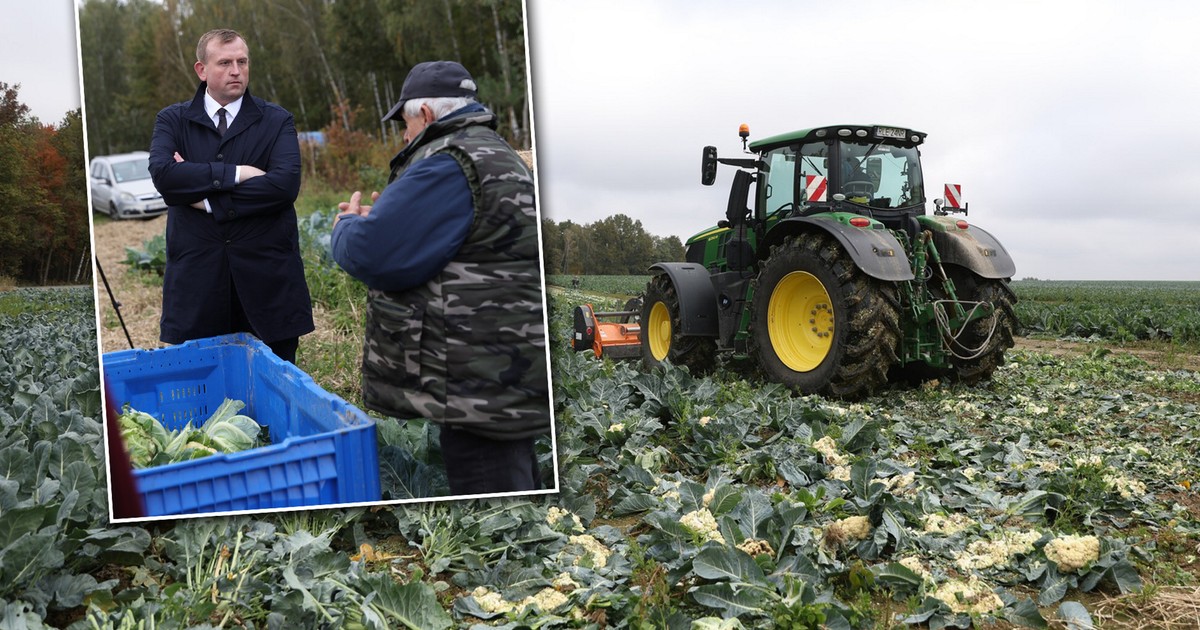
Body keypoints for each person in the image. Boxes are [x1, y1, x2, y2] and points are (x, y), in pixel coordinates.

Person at [330, 60, 549, 495]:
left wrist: (347, 227)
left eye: (405, 125)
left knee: (495, 511)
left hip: (477, 384)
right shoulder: (493, 150)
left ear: (426, 115)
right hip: (504, 372)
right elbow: (465, 241)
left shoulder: (447, 162)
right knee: (515, 485)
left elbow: (375, 253)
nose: (405, 137)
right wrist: (394, 221)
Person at [148, 29, 313, 363]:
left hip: (267, 282)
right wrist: (237, 173)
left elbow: (284, 185)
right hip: (198, 284)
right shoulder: (173, 120)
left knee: (273, 389)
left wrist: (208, 200)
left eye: (242, 61)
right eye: (224, 62)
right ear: (202, 70)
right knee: (204, 394)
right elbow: (165, 176)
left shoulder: (276, 120)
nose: (236, 70)